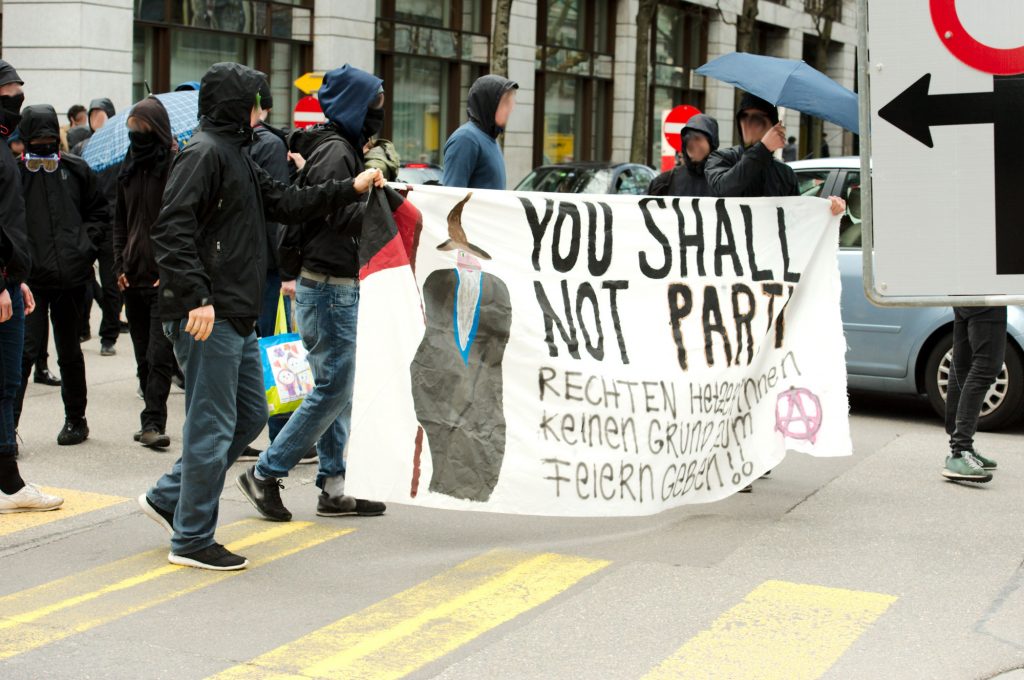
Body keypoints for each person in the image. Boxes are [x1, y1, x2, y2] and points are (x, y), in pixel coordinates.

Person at [137, 62, 384, 571]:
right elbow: (171, 230)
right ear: (236, 104)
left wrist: (350, 188)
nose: (259, 110)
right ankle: (191, 538)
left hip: (237, 312)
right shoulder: (205, 154)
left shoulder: (238, 154)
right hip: (208, 314)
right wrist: (196, 297)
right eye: (254, 101)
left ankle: (168, 496)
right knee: (213, 424)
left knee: (249, 414)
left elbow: (288, 202)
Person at [236, 64, 389, 523]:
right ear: (354, 106)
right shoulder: (338, 152)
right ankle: (266, 473)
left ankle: (335, 486)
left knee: (338, 388)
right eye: (373, 105)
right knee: (333, 388)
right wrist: (383, 208)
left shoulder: (335, 146)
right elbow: (336, 216)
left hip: (330, 285)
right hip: (329, 287)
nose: (378, 113)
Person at [706, 93, 844, 492]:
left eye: (759, 119)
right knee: (727, 371)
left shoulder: (783, 175)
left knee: (762, 371)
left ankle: (753, 451)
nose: (750, 124)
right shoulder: (724, 159)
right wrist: (760, 152)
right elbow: (725, 192)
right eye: (745, 118)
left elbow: (794, 222)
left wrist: (825, 209)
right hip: (726, 283)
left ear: (772, 124)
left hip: (767, 289)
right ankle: (723, 453)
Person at [14, 105, 108, 445]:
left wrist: (84, 247)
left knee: (70, 352)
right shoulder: (14, 173)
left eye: (48, 137)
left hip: (71, 277)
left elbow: (99, 213)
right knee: (23, 354)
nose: (43, 143)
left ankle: (76, 420)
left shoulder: (76, 169)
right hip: (29, 280)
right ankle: (7, 428)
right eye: (36, 138)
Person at [236, 79, 316, 465]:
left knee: (256, 347)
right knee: (279, 350)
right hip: (270, 268)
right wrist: (287, 270)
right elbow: (277, 213)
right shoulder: (270, 145)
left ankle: (248, 429)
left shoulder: (239, 142)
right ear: (265, 107)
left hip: (247, 262)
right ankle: (282, 434)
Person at [0, 60, 63, 513]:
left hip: (10, 281)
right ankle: (9, 483)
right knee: (4, 381)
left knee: (6, 383)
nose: (15, 100)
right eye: (8, 93)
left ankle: (8, 480)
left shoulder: (5, 145)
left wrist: (15, 278)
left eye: (19, 93)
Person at [113, 96, 179, 449]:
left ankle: (154, 421)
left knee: (158, 354)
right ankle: (149, 418)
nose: (136, 135)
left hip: (161, 278)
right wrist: (118, 266)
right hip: (132, 276)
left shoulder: (174, 165)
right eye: (132, 129)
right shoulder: (128, 166)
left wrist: (168, 270)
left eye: (142, 128)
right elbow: (119, 222)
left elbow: (182, 224)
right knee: (141, 355)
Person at [941, 307, 1005, 483]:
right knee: (986, 365)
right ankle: (960, 450)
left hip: (966, 287)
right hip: (986, 290)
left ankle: (960, 449)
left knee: (963, 362)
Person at [441, 75, 518, 190]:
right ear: (489, 103)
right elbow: (452, 198)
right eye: (506, 102)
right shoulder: (466, 139)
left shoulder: (490, 139)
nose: (512, 108)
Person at [646, 114, 719, 197]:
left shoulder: (725, 181)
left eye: (697, 139)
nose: (693, 144)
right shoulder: (664, 183)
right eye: (688, 139)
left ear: (711, 143)